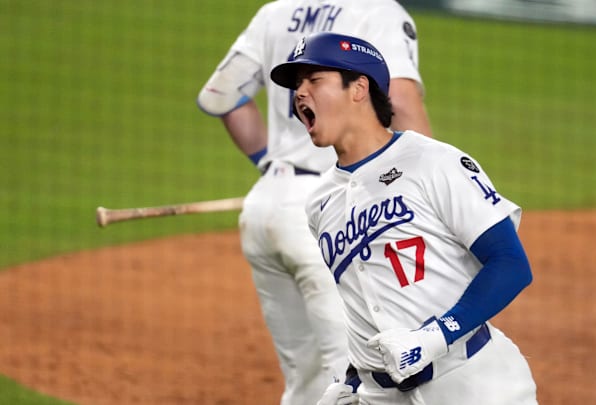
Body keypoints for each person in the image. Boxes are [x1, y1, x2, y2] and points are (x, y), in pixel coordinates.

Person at [270, 31, 538, 404]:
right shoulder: (319, 204)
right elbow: (371, 300)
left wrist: (434, 337)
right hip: (382, 396)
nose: (299, 93)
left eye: (314, 80)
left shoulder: (434, 162)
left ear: (359, 88)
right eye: (296, 84)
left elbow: (511, 264)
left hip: (471, 383)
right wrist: (351, 378)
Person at [196, 2, 432, 404]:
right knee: (366, 382)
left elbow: (220, 95)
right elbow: (404, 105)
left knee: (305, 384)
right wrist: (432, 190)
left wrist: (272, 166)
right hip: (334, 211)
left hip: (266, 210)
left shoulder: (275, 12)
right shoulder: (377, 11)